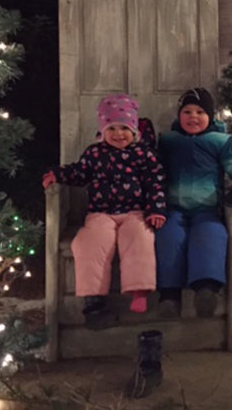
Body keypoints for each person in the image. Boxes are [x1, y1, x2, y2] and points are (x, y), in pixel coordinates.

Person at [42, 93, 167, 316]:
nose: (118, 134)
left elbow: (155, 182)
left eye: (124, 128)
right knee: (89, 242)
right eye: (112, 128)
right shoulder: (94, 153)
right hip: (101, 213)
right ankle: (94, 300)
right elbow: (80, 173)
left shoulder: (144, 154)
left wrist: (156, 209)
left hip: (135, 212)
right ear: (102, 131)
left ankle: (139, 289)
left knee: (140, 237)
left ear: (134, 131)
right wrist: (58, 174)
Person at [156, 87, 232, 318]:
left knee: (211, 235)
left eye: (200, 112)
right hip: (173, 208)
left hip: (207, 208)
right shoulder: (169, 141)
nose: (193, 117)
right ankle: (169, 295)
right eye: (187, 112)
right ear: (179, 115)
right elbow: (154, 168)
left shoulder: (220, 142)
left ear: (210, 116)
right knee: (169, 236)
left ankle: (206, 290)